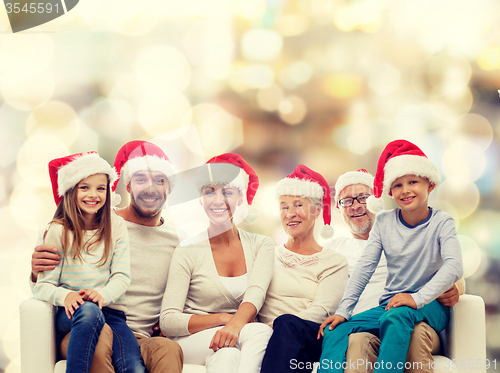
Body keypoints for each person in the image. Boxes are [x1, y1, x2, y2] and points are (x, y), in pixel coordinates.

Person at [30, 141, 183, 373]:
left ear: (169, 188)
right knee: (100, 340)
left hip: (135, 332)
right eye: (141, 179)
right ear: (127, 185)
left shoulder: (179, 241)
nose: (150, 188)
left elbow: (194, 292)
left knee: (168, 349)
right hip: (87, 326)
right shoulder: (94, 219)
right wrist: (34, 272)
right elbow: (44, 282)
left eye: (159, 180)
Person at [318, 139, 464, 373]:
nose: (405, 190)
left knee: (395, 317)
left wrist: (416, 298)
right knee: (337, 329)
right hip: (391, 305)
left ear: (430, 185)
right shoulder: (384, 223)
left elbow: (454, 266)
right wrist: (343, 312)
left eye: (413, 182)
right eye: (397, 185)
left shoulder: (442, 221)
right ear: (389, 192)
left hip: (428, 306)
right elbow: (364, 268)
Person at [160, 153, 275, 373]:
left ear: (240, 198)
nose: (218, 200)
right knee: (259, 332)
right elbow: (168, 320)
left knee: (228, 355)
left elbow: (256, 293)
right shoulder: (187, 251)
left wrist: (233, 326)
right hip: (191, 340)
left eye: (227, 192)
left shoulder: (261, 245)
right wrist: (226, 321)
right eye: (209, 191)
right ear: (201, 199)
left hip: (236, 336)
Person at [33, 152, 145, 373]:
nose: (93, 195)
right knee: (89, 311)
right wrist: (67, 296)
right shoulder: (58, 230)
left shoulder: (116, 226)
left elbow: (122, 276)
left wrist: (102, 294)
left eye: (100, 188)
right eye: (85, 187)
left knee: (133, 366)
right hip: (73, 313)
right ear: (71, 190)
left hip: (112, 312)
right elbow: (42, 286)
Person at [259, 164, 349, 373]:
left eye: (298, 205)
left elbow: (322, 310)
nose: (290, 213)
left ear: (317, 210)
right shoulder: (266, 254)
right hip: (265, 333)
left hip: (310, 335)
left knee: (287, 324)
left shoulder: (334, 261)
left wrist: (280, 326)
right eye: (284, 207)